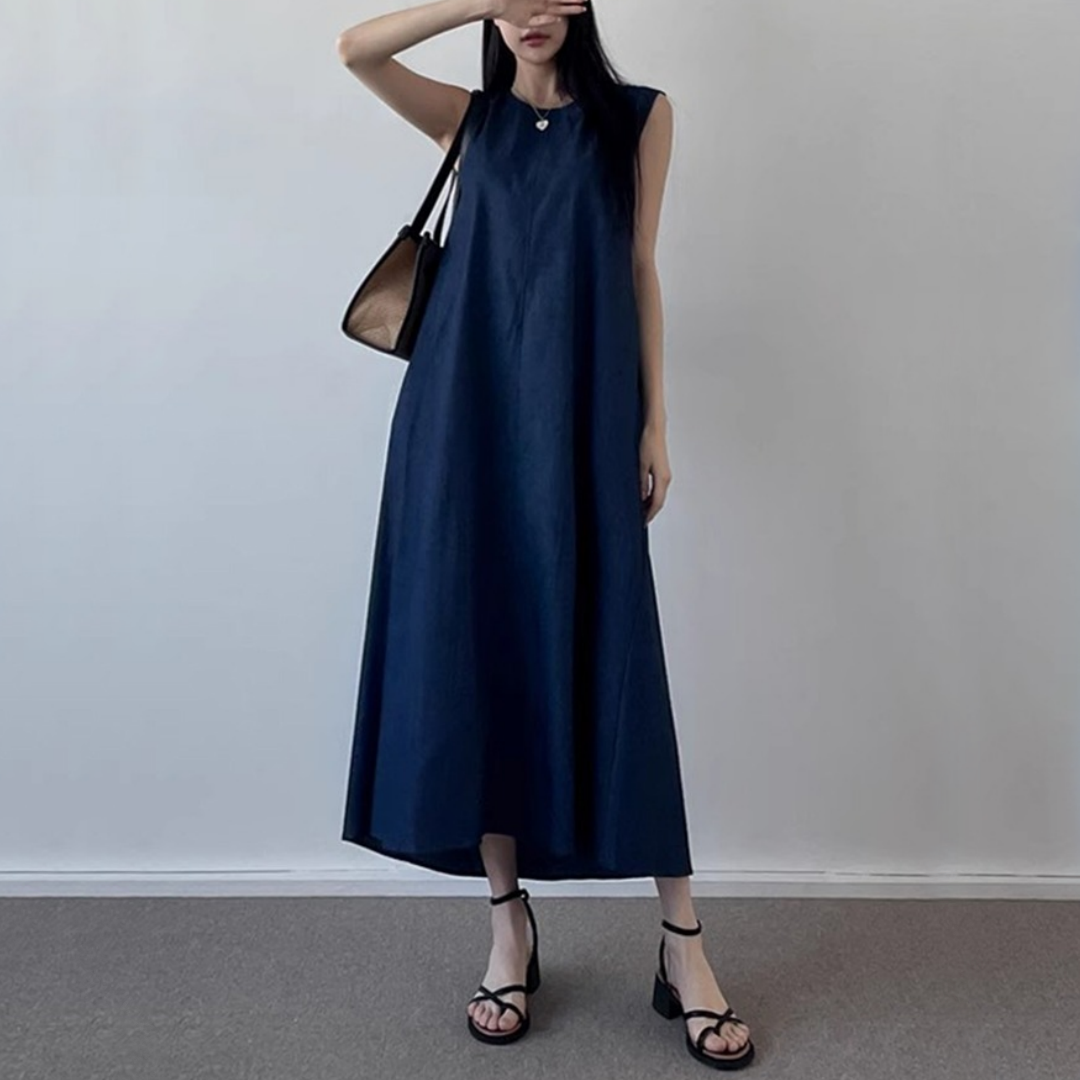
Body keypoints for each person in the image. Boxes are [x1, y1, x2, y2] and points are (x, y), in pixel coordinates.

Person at [336, 0, 755, 1069]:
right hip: (460, 423)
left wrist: (655, 421)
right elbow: (354, 49)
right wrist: (480, 0)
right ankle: (507, 926)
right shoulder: (469, 119)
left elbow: (640, 266)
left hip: (582, 414)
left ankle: (682, 940)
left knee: (618, 654)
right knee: (479, 649)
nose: (530, 15)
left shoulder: (640, 117)